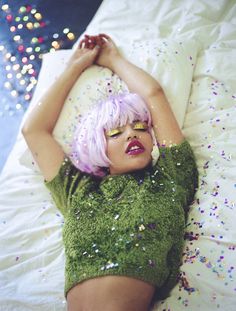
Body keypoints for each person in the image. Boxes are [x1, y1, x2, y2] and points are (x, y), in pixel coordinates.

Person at [22, 34, 198, 311]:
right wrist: (75, 66)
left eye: (141, 128)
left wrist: (113, 59)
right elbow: (33, 131)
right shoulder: (77, 190)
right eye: (116, 132)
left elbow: (154, 95)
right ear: (96, 145)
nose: (132, 135)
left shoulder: (172, 177)